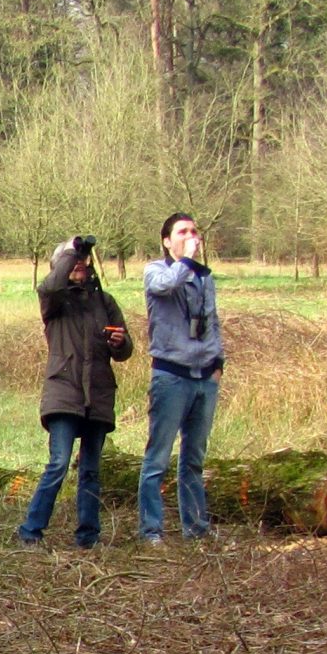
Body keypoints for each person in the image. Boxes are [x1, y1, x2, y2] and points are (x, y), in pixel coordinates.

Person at [17, 237, 133, 550]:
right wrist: (71, 250)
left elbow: (125, 351)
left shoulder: (105, 302)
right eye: (73, 262)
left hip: (98, 392)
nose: (80, 265)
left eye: (84, 260)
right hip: (63, 391)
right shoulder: (54, 301)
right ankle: (30, 531)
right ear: (62, 265)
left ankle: (88, 537)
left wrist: (120, 343)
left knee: (91, 469)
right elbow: (51, 285)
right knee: (58, 463)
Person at [139, 210, 225, 545]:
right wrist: (186, 261)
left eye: (194, 231)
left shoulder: (204, 277)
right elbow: (167, 285)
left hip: (204, 377)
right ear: (166, 240)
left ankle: (196, 528)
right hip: (171, 375)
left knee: (194, 458)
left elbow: (212, 320)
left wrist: (218, 364)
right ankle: (151, 531)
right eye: (182, 232)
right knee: (157, 457)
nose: (191, 237)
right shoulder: (156, 271)